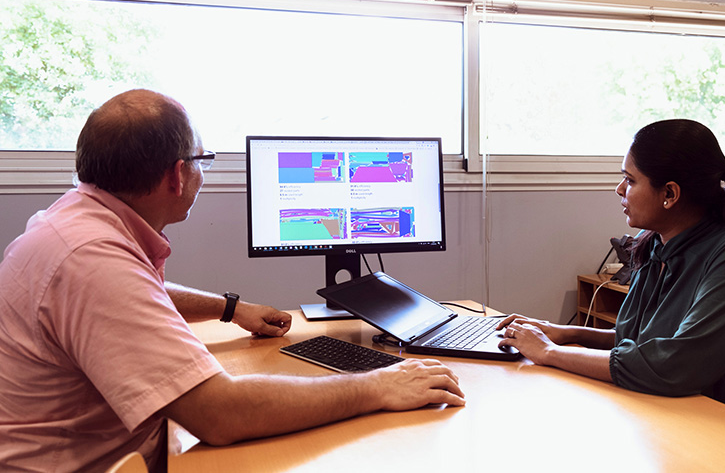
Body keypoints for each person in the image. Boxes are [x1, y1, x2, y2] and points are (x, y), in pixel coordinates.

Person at [0, 89, 465, 472]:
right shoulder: (90, 259)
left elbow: (141, 294)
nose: (204, 172)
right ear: (177, 176)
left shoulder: (74, 223)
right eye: (203, 159)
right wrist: (379, 385)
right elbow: (220, 414)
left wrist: (231, 309)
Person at [498, 119, 725, 426]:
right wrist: (563, 332)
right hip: (666, 410)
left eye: (630, 180)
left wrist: (549, 352)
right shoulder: (655, 243)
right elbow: (636, 341)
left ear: (670, 193)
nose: (619, 189)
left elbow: (675, 364)